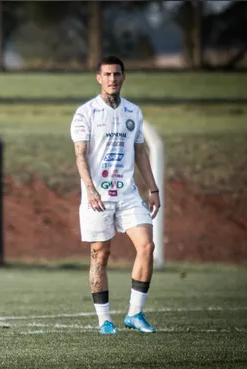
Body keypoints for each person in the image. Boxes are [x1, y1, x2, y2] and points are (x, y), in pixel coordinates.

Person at [69, 56, 162, 335]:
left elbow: (141, 152)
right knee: (100, 255)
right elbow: (80, 155)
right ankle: (104, 320)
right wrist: (90, 188)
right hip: (97, 196)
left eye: (117, 74)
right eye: (107, 74)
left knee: (146, 246)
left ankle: (135, 313)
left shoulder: (133, 112)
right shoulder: (85, 113)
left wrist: (153, 188)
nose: (112, 79)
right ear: (99, 78)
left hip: (128, 194)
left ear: (123, 77)